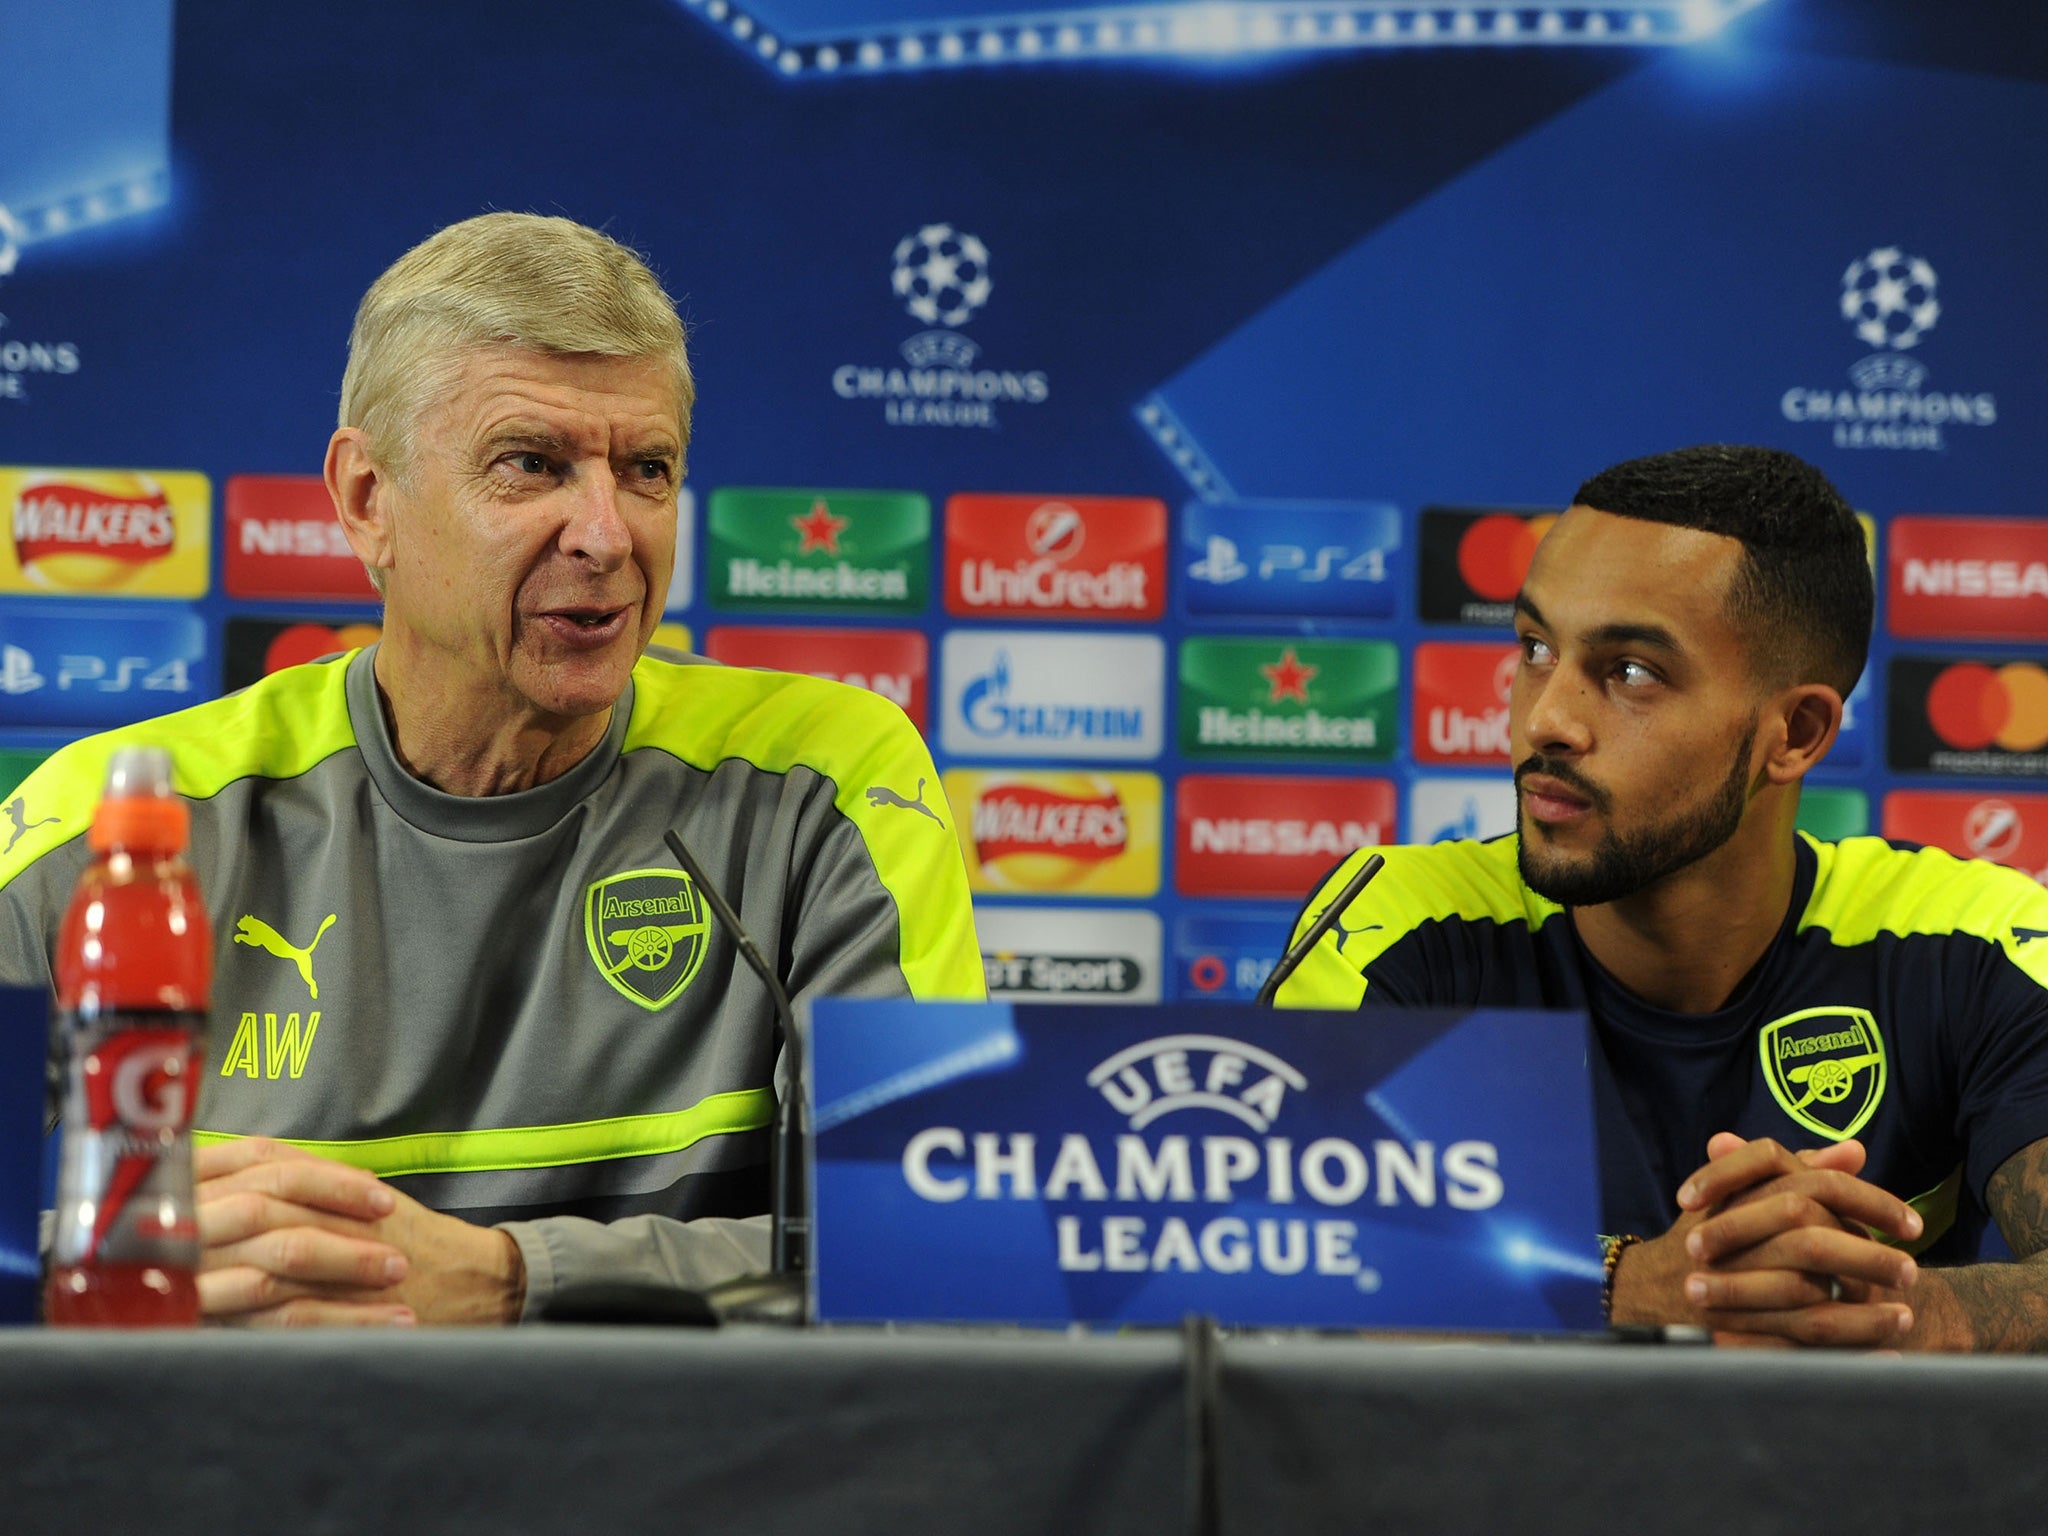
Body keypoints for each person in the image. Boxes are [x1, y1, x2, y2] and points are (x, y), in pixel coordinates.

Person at [0, 213, 984, 1324]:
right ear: (367, 500)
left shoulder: (828, 784)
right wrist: (151, 1266)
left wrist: (516, 1281)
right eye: (532, 464)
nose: (607, 535)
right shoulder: (117, 835)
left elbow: (943, 1247)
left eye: (646, 470)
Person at [1278, 444, 2048, 1350]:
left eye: (1631, 672)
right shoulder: (1399, 925)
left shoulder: (1978, 940)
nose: (1544, 720)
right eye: (1534, 648)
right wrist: (1633, 1285)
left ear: (1794, 733)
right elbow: (1288, 1263)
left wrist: (1882, 1314)